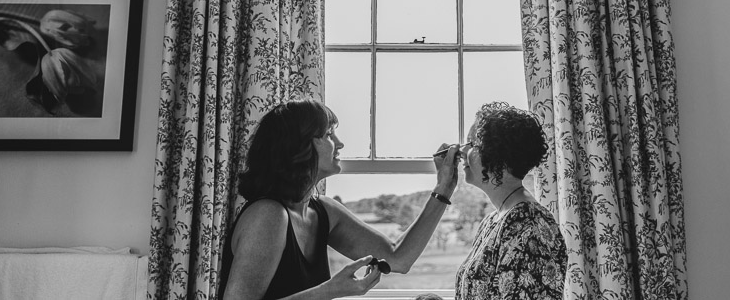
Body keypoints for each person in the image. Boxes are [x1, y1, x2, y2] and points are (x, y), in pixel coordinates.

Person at [218, 99, 460, 300]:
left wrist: (443, 188)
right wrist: (330, 291)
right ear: (299, 146)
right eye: (329, 134)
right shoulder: (268, 215)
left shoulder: (323, 210)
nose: (340, 143)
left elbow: (399, 258)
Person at [454, 101, 566, 300]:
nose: (462, 151)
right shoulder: (492, 221)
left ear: (499, 157)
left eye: (471, 143)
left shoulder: (528, 226)